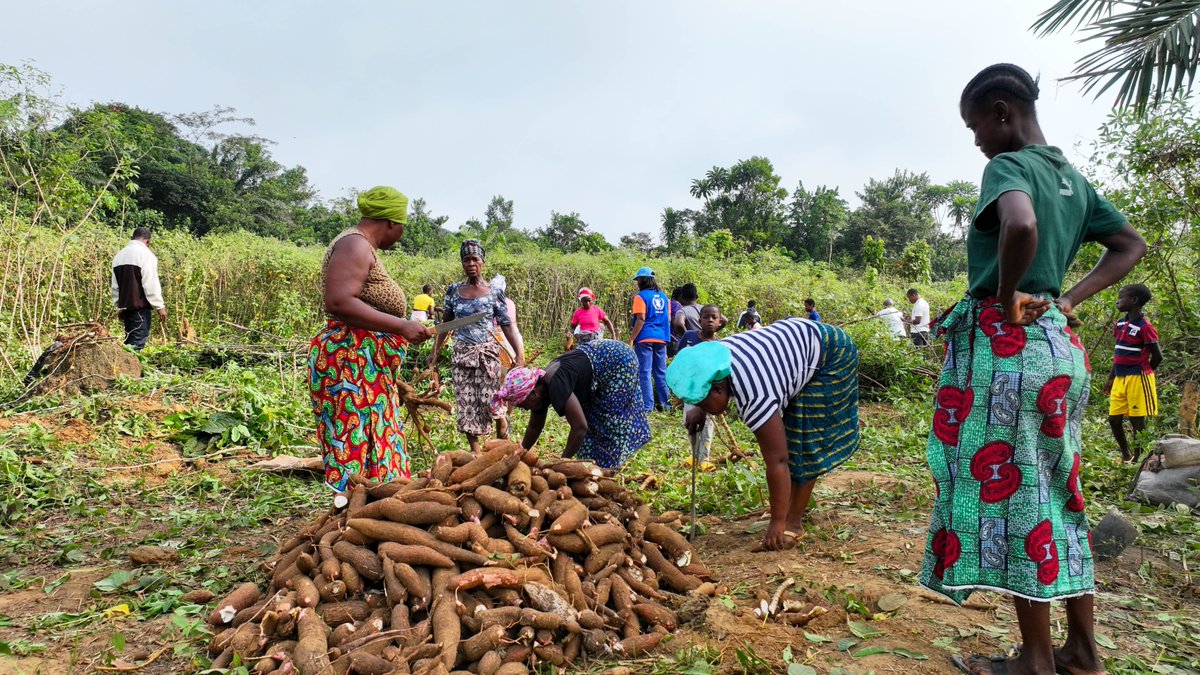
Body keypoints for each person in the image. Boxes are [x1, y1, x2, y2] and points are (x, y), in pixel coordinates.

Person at [921, 64, 1146, 675]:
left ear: (1001, 112)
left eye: (974, 127)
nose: (975, 142)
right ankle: (1083, 652)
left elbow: (1020, 224)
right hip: (1060, 349)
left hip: (1011, 349)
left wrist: (1005, 296)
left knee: (1023, 495)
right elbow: (1130, 245)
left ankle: (1036, 661)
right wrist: (1068, 301)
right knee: (1061, 491)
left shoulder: (1009, 168)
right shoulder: (1072, 176)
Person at [667, 318, 859, 551]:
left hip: (831, 354)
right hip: (799, 342)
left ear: (718, 388)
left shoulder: (756, 395)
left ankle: (792, 522)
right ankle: (786, 508)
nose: (704, 408)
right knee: (791, 433)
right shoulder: (716, 361)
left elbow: (778, 460)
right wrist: (699, 408)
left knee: (805, 440)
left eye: (703, 402)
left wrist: (776, 523)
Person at [309, 186, 435, 492]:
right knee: (354, 447)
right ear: (392, 223)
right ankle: (353, 518)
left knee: (372, 443)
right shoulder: (355, 245)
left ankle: (374, 514)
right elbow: (338, 301)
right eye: (403, 227)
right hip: (350, 363)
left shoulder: (360, 246)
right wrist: (401, 326)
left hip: (366, 367)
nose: (402, 233)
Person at [429, 240, 525, 453]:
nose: (470, 263)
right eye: (466, 260)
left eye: (475, 259)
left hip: (487, 355)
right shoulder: (454, 291)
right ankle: (475, 451)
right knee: (466, 402)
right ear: (462, 263)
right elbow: (446, 324)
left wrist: (518, 354)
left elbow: (507, 325)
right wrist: (435, 351)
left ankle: (501, 433)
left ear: (482, 262)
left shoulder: (493, 293)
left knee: (492, 401)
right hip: (462, 354)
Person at [493, 340, 651, 469]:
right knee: (590, 417)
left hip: (618, 361)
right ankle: (589, 466)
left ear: (534, 393)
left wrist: (562, 463)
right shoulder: (539, 387)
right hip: (599, 358)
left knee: (609, 421)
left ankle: (607, 469)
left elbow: (580, 427)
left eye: (524, 405)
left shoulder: (555, 384)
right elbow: (535, 427)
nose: (527, 409)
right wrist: (522, 450)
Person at [1105, 284, 1162, 463]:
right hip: (1120, 378)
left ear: (1134, 300)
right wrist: (1111, 378)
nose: (1117, 301)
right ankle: (1125, 454)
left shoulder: (1145, 326)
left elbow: (1158, 356)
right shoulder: (1120, 323)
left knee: (1137, 420)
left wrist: (1144, 372)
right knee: (1114, 419)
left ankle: (1138, 459)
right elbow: (1118, 353)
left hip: (1138, 378)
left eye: (1121, 297)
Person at [677, 304, 725, 461]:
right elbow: (680, 361)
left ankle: (704, 458)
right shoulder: (689, 337)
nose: (709, 320)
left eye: (714, 317)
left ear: (719, 322)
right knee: (689, 421)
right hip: (690, 390)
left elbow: (721, 373)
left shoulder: (719, 346)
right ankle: (693, 455)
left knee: (708, 425)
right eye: (706, 317)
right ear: (699, 320)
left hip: (709, 392)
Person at [111, 227, 167, 350]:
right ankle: (127, 369)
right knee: (136, 345)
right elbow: (150, 282)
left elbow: (115, 286)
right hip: (139, 309)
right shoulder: (146, 255)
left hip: (126, 309)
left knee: (129, 343)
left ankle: (124, 368)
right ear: (148, 241)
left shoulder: (119, 256)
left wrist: (119, 306)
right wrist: (159, 306)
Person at [630, 267, 672, 412]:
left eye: (638, 280)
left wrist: (631, 339)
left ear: (643, 280)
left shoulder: (640, 297)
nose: (637, 283)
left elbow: (640, 319)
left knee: (644, 372)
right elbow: (669, 318)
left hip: (645, 338)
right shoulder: (664, 297)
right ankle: (666, 405)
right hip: (662, 337)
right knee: (661, 372)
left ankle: (648, 407)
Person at [671, 283, 702, 352]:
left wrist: (688, 337)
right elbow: (724, 320)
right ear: (697, 296)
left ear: (682, 297)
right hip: (705, 342)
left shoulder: (683, 310)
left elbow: (679, 324)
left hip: (692, 345)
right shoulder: (704, 308)